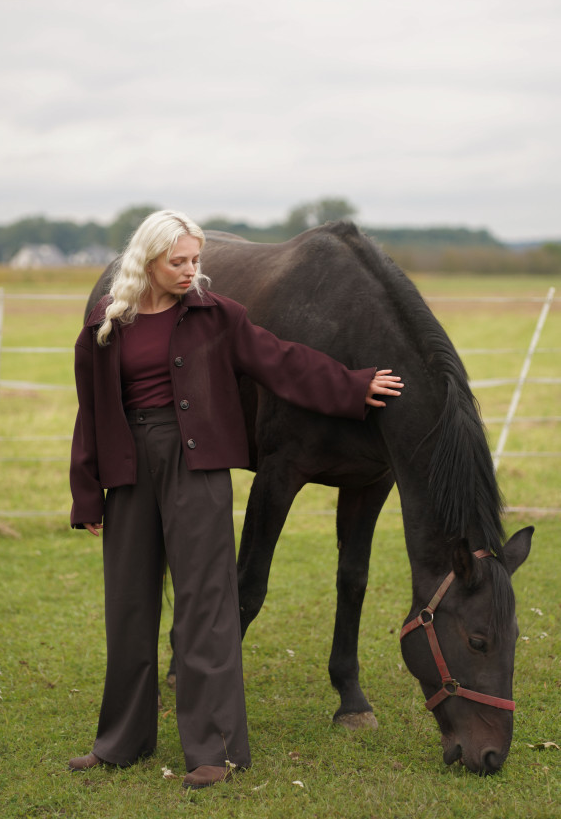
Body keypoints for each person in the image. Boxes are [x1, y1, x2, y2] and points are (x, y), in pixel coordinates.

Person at [68, 209, 403, 789]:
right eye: (178, 261)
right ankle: (121, 742)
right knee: (129, 607)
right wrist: (86, 495)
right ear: (148, 261)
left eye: (195, 259)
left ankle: (215, 750)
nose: (191, 270)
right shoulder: (107, 322)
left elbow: (283, 362)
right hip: (128, 469)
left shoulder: (217, 315)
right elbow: (91, 412)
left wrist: (354, 385)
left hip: (195, 467)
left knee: (208, 606)